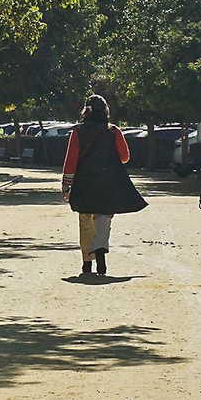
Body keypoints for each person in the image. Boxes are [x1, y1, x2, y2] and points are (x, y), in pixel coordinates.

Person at [62, 95, 148, 277]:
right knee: (103, 219)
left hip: (84, 183)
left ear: (86, 111)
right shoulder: (113, 131)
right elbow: (125, 157)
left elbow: (71, 160)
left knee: (85, 222)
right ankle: (100, 248)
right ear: (106, 111)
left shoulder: (77, 132)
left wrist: (66, 185)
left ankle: (86, 262)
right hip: (108, 183)